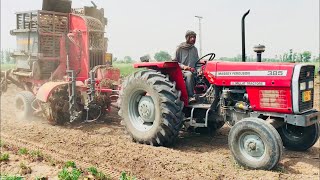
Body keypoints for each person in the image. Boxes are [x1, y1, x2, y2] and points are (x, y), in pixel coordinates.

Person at [173, 30, 199, 103]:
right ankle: (191, 96)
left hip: (194, 70)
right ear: (187, 38)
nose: (193, 39)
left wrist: (200, 70)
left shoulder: (194, 49)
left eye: (194, 37)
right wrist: (184, 67)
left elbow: (198, 62)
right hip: (183, 70)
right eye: (191, 37)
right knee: (189, 75)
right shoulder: (180, 48)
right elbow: (174, 62)